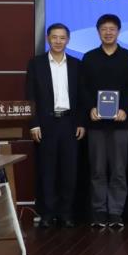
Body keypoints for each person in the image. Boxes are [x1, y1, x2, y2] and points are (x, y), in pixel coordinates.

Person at [80, 14, 128, 229]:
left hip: (120, 123)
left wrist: (124, 109)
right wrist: (91, 108)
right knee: (97, 170)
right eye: (104, 29)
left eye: (112, 29)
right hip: (96, 123)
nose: (108, 32)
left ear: (118, 31)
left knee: (118, 170)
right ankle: (99, 212)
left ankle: (115, 212)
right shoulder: (89, 58)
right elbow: (83, 88)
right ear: (98, 32)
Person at [25, 23, 86, 228]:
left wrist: (81, 122)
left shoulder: (76, 64)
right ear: (48, 39)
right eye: (54, 37)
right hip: (46, 123)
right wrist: (34, 124)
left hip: (69, 122)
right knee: (47, 170)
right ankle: (47, 213)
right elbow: (30, 96)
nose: (58, 41)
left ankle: (66, 213)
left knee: (69, 171)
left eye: (62, 37)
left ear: (68, 40)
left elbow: (82, 97)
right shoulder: (36, 64)